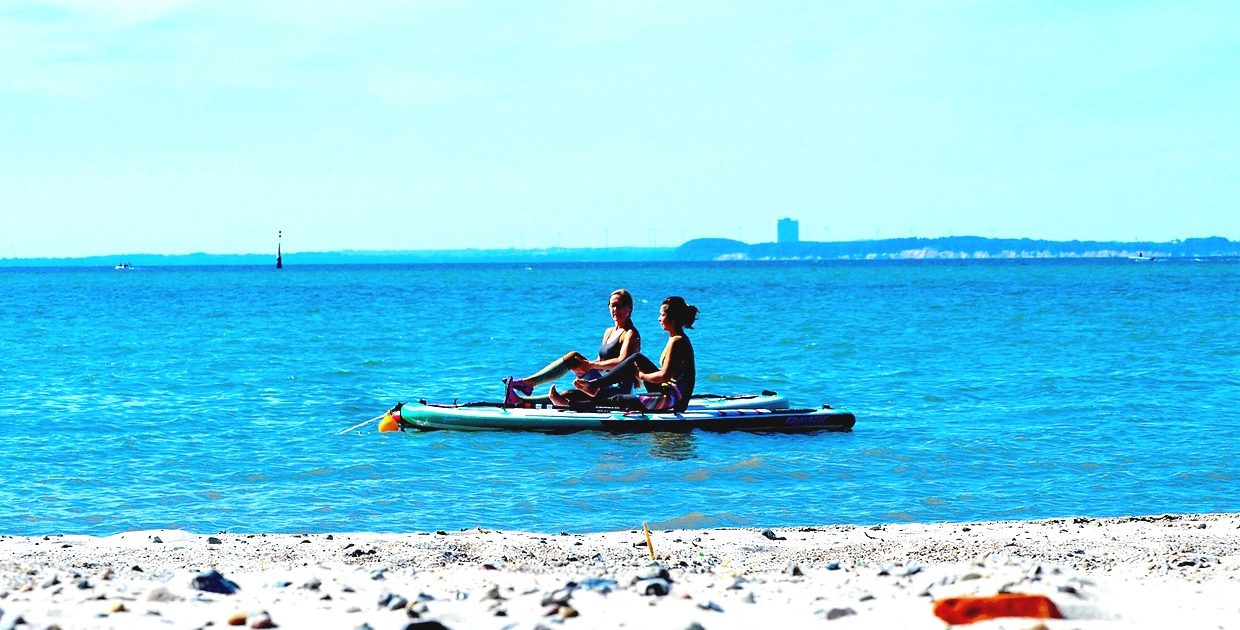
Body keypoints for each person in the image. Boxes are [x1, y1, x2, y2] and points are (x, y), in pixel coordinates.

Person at [504, 289, 641, 406]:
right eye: (612, 306)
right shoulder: (609, 332)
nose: (615, 310)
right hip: (601, 381)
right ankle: (528, 384)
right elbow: (600, 361)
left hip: (619, 389)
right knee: (573, 358)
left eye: (619, 306)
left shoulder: (630, 334)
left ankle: (521, 400)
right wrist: (583, 368)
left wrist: (590, 366)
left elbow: (622, 363)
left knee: (566, 395)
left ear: (629, 308)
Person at [560, 295, 697, 413]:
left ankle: (570, 404)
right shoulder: (675, 338)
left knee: (618, 400)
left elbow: (664, 376)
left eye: (662, 315)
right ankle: (595, 385)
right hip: (669, 392)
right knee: (636, 359)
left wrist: (642, 376)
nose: (658, 319)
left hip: (674, 400)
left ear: (673, 319)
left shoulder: (677, 341)